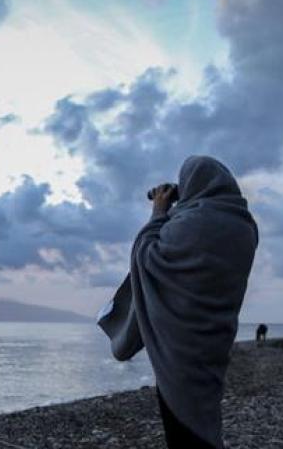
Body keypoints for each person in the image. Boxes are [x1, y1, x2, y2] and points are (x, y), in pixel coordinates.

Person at [97, 155, 258, 449]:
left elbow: (146, 253)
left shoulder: (192, 223)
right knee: (204, 414)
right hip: (216, 335)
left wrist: (159, 211)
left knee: (182, 422)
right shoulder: (245, 227)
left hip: (179, 344)